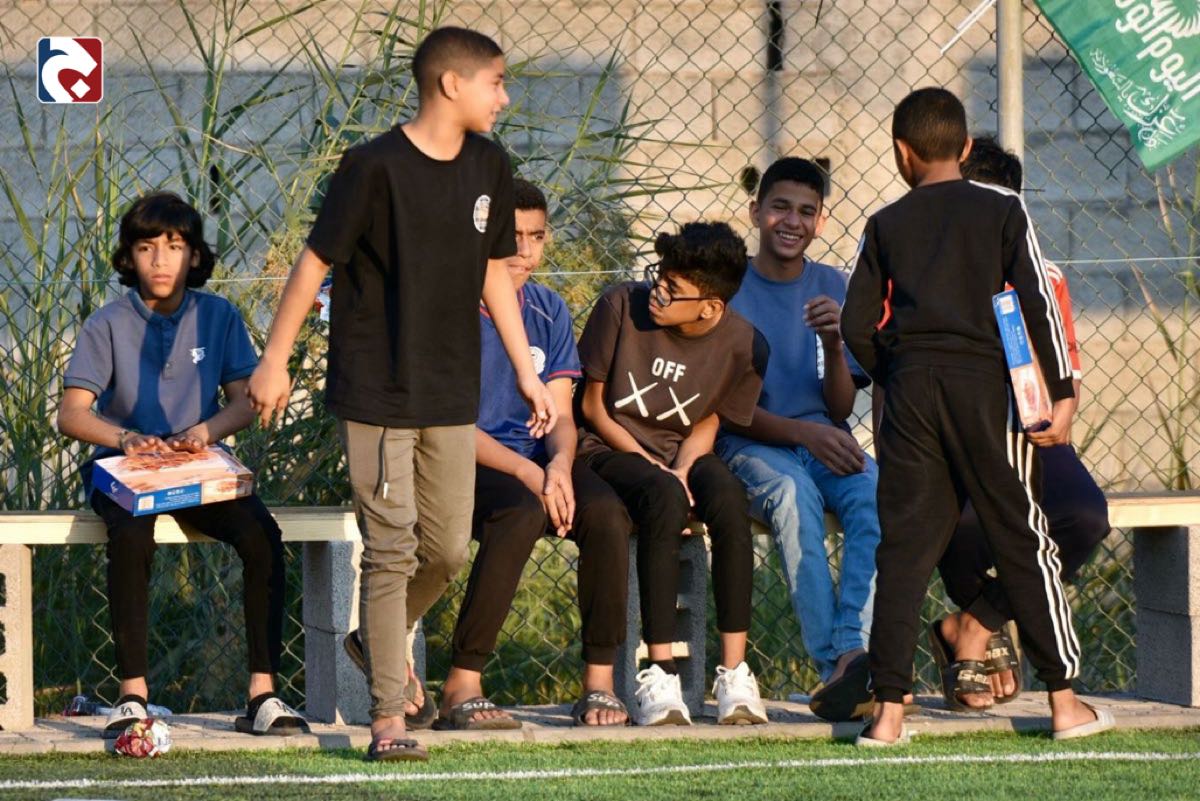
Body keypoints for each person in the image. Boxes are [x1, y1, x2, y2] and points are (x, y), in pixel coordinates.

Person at [245, 27, 556, 762]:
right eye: (496, 82)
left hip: (451, 392)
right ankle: (388, 716)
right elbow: (313, 263)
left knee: (444, 549)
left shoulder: (489, 163)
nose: (505, 98)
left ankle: (372, 641)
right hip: (378, 391)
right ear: (451, 83)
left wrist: (525, 369)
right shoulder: (372, 166)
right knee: (389, 551)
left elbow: (494, 272)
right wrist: (274, 361)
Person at [841, 87, 1114, 745]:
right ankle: (1065, 702)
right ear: (965, 148)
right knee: (1023, 535)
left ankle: (888, 714)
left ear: (902, 153)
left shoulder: (884, 223)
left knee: (904, 550)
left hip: (911, 392)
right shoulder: (1002, 208)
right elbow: (1035, 300)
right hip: (987, 388)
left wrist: (895, 368)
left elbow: (854, 323)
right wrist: (1061, 393)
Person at [349, 179, 632, 729]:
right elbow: (448, 425)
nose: (524, 251)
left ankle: (599, 683)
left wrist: (558, 465)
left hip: (538, 461)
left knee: (605, 511)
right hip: (459, 460)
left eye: (536, 237)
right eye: (511, 237)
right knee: (519, 512)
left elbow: (562, 413)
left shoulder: (548, 309)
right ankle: (464, 683)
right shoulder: (445, 310)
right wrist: (529, 472)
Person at [57, 192, 308, 739]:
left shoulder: (219, 315)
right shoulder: (107, 322)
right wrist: (127, 439)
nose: (160, 260)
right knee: (132, 537)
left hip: (198, 467)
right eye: (146, 247)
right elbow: (71, 414)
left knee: (262, 535)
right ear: (129, 256)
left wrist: (203, 433)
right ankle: (133, 696)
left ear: (194, 255)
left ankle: (263, 694)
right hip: (124, 469)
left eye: (174, 247)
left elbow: (244, 401)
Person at [930, 137, 1110, 711]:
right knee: (958, 526)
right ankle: (977, 632)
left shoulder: (1043, 276)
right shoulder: (920, 267)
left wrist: (1062, 409)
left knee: (1084, 516)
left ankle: (974, 626)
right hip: (949, 439)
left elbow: (1067, 374)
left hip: (1028, 433)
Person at [577, 221, 770, 727]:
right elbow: (593, 408)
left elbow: (709, 418)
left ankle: (735, 672)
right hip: (608, 447)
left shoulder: (746, 345)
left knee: (728, 496)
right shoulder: (621, 306)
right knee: (663, 495)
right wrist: (658, 469)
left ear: (710, 306)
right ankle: (660, 674)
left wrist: (682, 466)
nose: (657, 292)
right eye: (659, 276)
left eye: (672, 287)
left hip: (681, 451)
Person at [716, 157, 880, 722]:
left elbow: (840, 408)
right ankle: (836, 663)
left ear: (821, 221)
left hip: (824, 439)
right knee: (793, 497)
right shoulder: (729, 287)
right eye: (780, 207)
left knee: (875, 493)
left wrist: (834, 343)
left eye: (807, 211)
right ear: (755, 211)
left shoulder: (834, 284)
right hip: (752, 444)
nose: (793, 221)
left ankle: (854, 648)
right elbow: (725, 411)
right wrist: (803, 431)